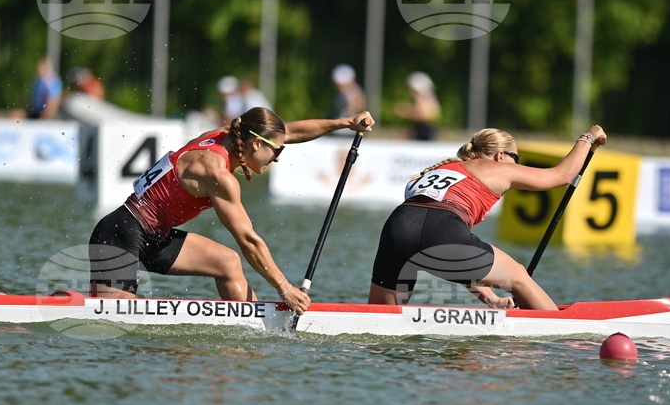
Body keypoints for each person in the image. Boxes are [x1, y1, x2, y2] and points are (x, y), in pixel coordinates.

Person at [88, 106, 375, 313]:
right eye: (276, 151)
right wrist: (285, 288)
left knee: (227, 262)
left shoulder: (225, 135)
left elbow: (293, 132)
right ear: (255, 143)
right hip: (119, 234)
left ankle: (252, 328)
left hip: (155, 237)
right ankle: (66, 301)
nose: (277, 158)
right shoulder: (217, 174)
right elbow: (249, 240)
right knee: (115, 324)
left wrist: (345, 122)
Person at [368, 126, 606, 311]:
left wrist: (491, 298)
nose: (517, 165)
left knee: (382, 318)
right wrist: (588, 137)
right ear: (501, 155)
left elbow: (448, 252)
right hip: (443, 228)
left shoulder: (436, 171)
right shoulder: (496, 167)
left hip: (396, 227)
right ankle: (562, 338)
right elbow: (562, 175)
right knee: (520, 277)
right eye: (516, 158)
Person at [394, 71, 439, 140]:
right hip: (423, 130)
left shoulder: (424, 96)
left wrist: (405, 112)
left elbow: (423, 115)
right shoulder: (427, 96)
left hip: (424, 132)